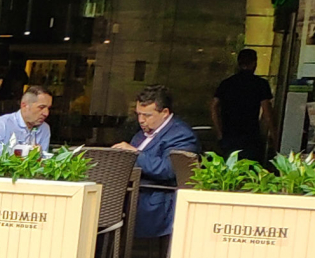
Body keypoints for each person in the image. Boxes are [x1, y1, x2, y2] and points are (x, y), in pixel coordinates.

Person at [112, 84, 198, 236]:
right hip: (129, 197)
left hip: (156, 202)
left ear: (165, 112)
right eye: (138, 114)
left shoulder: (181, 134)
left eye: (147, 115)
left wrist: (134, 153)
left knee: (101, 215)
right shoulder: (141, 134)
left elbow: (169, 170)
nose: (141, 120)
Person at [212, 50, 276, 162]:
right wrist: (274, 134)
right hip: (251, 136)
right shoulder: (260, 84)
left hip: (229, 135)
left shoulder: (227, 83)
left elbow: (214, 106)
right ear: (254, 63)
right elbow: (267, 111)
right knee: (251, 172)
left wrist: (219, 133)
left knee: (230, 171)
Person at [0, 86, 55, 156]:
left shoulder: (44, 128)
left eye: (48, 108)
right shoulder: (1, 124)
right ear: (24, 105)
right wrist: (22, 152)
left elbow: (43, 158)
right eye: (41, 107)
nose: (46, 113)